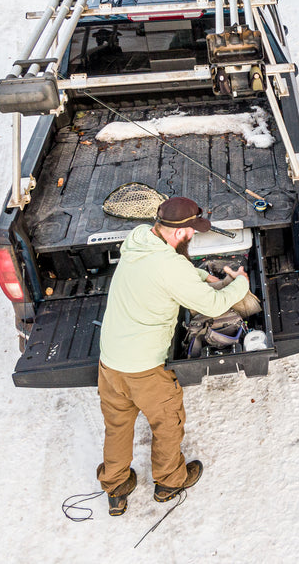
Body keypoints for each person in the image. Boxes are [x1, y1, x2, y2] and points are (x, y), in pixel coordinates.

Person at [97, 196, 250, 516]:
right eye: (192, 231)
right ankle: (170, 481)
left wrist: (199, 277)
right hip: (144, 370)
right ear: (180, 233)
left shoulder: (139, 239)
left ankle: (115, 486)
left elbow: (169, 272)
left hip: (110, 362)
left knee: (118, 425)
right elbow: (211, 305)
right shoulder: (170, 266)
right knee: (167, 422)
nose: (194, 236)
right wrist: (239, 285)